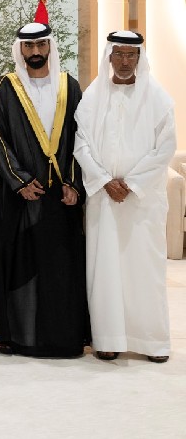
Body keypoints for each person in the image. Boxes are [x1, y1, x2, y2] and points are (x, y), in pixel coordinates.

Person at [73, 31, 176, 363]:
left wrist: (130, 184)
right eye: (118, 54)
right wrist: (104, 181)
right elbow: (81, 145)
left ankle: (151, 342)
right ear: (109, 56)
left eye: (131, 55)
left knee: (144, 269)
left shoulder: (158, 98)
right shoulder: (93, 97)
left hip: (142, 202)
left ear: (140, 58)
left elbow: (165, 149)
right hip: (104, 200)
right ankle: (108, 338)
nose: (124, 61)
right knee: (104, 270)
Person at [0, 22, 89, 358]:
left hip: (60, 197)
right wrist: (19, 180)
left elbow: (81, 138)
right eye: (29, 46)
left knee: (61, 267)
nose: (35, 52)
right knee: (21, 267)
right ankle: (20, 338)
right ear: (20, 49)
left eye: (40, 45)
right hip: (20, 196)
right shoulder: (7, 86)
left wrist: (73, 183)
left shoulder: (68, 86)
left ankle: (63, 339)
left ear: (49, 47)